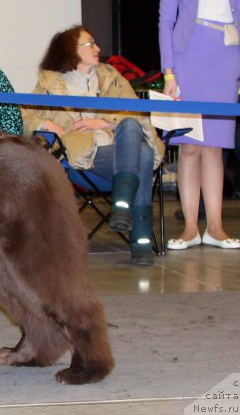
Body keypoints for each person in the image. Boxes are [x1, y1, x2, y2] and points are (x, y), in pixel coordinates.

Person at [22, 25, 164, 266]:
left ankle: (122, 205)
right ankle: (139, 240)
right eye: (90, 44)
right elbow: (25, 117)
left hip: (118, 146)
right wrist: (48, 124)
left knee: (131, 129)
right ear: (72, 50)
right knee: (144, 154)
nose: (98, 48)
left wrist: (104, 121)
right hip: (82, 155)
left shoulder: (112, 78)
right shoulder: (50, 83)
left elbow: (138, 115)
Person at [159, 0, 240, 250]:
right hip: (189, 55)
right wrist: (169, 72)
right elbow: (166, 20)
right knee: (190, 145)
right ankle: (190, 227)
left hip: (225, 54)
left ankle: (217, 228)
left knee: (216, 146)